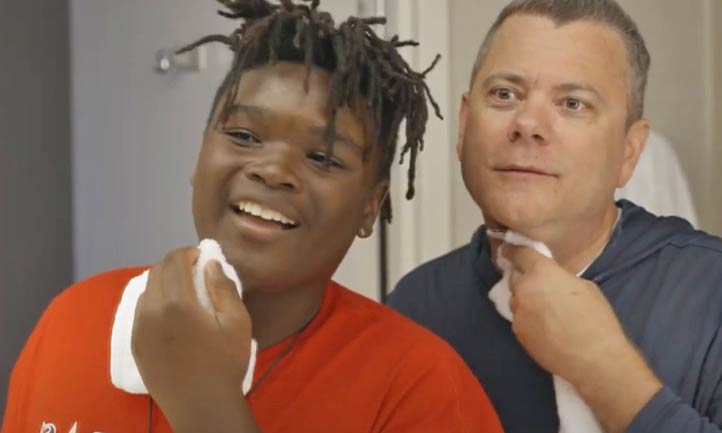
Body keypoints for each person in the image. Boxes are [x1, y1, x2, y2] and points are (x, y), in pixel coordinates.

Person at [1, 1, 503, 432]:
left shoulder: (421, 388)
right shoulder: (73, 319)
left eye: (323, 157)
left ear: (370, 206)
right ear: (199, 158)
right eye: (243, 136)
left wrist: (207, 404)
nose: (274, 170)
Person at [388, 1, 722, 433]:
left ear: (629, 152)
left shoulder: (711, 291)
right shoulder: (415, 306)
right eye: (505, 94)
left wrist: (603, 369)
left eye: (573, 103)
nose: (528, 123)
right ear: (464, 124)